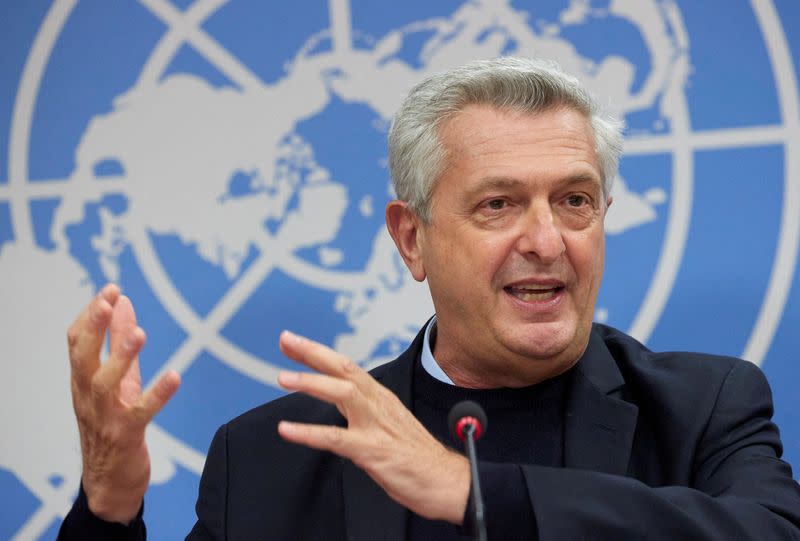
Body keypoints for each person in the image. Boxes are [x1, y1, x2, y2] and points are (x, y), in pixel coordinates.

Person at [58, 57, 800, 540]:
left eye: (575, 200)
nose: (547, 239)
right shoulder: (270, 458)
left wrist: (473, 491)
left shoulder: (704, 408)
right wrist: (108, 506)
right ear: (411, 239)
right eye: (498, 205)